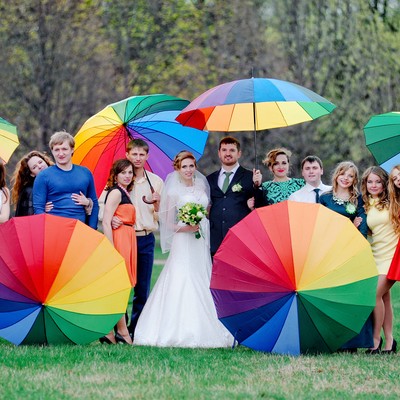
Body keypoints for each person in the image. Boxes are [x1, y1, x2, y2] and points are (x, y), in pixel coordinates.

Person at [134, 151, 233, 347]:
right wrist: (187, 226)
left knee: (202, 274)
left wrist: (200, 221)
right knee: (184, 275)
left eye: (191, 166)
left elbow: (207, 212)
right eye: (184, 166)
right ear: (177, 169)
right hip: (183, 240)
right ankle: (180, 328)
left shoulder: (202, 186)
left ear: (195, 166)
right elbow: (168, 223)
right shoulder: (172, 192)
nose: (188, 170)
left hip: (200, 240)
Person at [99, 139, 163, 339]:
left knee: (141, 288)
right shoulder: (119, 181)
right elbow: (103, 208)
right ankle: (119, 328)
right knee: (120, 284)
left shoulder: (156, 182)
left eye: (141, 154)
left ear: (147, 156)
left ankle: (136, 330)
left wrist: (158, 205)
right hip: (124, 237)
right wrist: (114, 219)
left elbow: (160, 216)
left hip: (144, 238)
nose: (137, 158)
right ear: (127, 155)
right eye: (133, 154)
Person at [320, 161, 371, 351]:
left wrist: (354, 231)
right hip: (329, 252)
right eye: (343, 173)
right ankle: (334, 339)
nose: (345, 178)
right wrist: (349, 225)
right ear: (336, 175)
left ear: (354, 180)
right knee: (333, 296)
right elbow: (322, 227)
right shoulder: (325, 199)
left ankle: (352, 342)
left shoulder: (358, 200)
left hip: (351, 252)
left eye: (350, 176)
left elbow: (362, 229)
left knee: (351, 296)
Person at [361, 166, 397, 354]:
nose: (373, 185)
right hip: (375, 255)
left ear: (385, 183)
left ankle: (375, 339)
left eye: (377, 181)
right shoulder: (365, 204)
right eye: (370, 181)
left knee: (374, 295)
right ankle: (390, 341)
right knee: (384, 297)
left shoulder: (394, 201)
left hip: (392, 257)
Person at [100, 159, 137, 345]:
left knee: (122, 287)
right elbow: (106, 221)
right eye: (123, 172)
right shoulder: (115, 192)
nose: (127, 175)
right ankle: (120, 331)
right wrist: (111, 249)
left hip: (127, 237)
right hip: (119, 240)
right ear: (116, 175)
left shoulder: (125, 192)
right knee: (119, 287)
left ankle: (110, 332)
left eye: (130, 172)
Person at [33, 131, 98, 229]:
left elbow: (95, 203)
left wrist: (92, 229)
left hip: (80, 230)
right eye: (57, 150)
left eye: (64, 149)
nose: (61, 153)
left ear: (72, 150)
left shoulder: (85, 173)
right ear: (52, 151)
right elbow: (38, 208)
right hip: (54, 230)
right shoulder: (43, 176)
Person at [207, 136, 254, 256]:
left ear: (239, 153)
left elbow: (259, 205)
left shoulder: (250, 177)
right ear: (219, 153)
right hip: (215, 240)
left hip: (240, 239)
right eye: (224, 150)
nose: (227, 153)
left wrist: (258, 185)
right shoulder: (210, 179)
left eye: (232, 150)